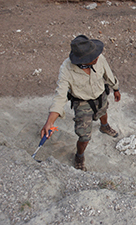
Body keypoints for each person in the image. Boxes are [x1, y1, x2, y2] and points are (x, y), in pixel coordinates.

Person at [41, 35, 121, 171]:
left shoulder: (99, 58)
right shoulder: (66, 69)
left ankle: (104, 126)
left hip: (100, 95)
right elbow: (60, 97)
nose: (98, 57)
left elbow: (108, 74)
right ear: (84, 60)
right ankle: (79, 156)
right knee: (84, 136)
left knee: (103, 111)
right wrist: (50, 122)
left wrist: (116, 89)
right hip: (82, 102)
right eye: (94, 57)